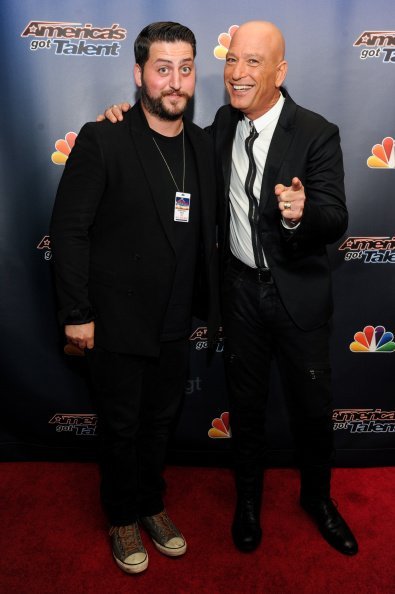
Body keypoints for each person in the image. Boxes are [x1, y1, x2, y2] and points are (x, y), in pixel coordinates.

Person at [99, 20, 358, 557]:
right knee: (246, 408)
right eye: (232, 60)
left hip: (298, 296)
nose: (237, 73)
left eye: (253, 62)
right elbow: (154, 133)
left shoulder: (316, 131)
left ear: (280, 72)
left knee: (313, 408)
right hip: (239, 292)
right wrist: (119, 118)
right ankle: (247, 504)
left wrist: (302, 214)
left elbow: (336, 215)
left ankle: (319, 500)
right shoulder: (217, 127)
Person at [50, 21, 220, 575]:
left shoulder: (201, 143)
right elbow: (69, 229)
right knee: (120, 426)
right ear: (139, 74)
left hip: (174, 321)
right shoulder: (104, 137)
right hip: (116, 320)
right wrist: (77, 314)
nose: (175, 81)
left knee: (159, 422)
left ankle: (150, 502)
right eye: (162, 68)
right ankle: (121, 514)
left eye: (185, 68)